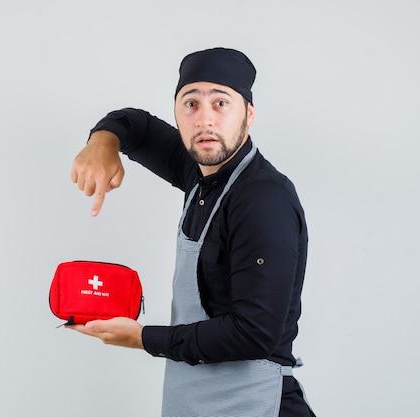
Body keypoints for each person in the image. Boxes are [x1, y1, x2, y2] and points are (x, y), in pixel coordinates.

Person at [68, 47, 316, 417]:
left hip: (255, 404)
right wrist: (101, 143)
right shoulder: (198, 172)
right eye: (190, 104)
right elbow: (134, 124)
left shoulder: (263, 199)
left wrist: (141, 338)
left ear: (248, 114)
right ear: (177, 114)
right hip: (195, 401)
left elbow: (253, 334)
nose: (205, 120)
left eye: (221, 103)